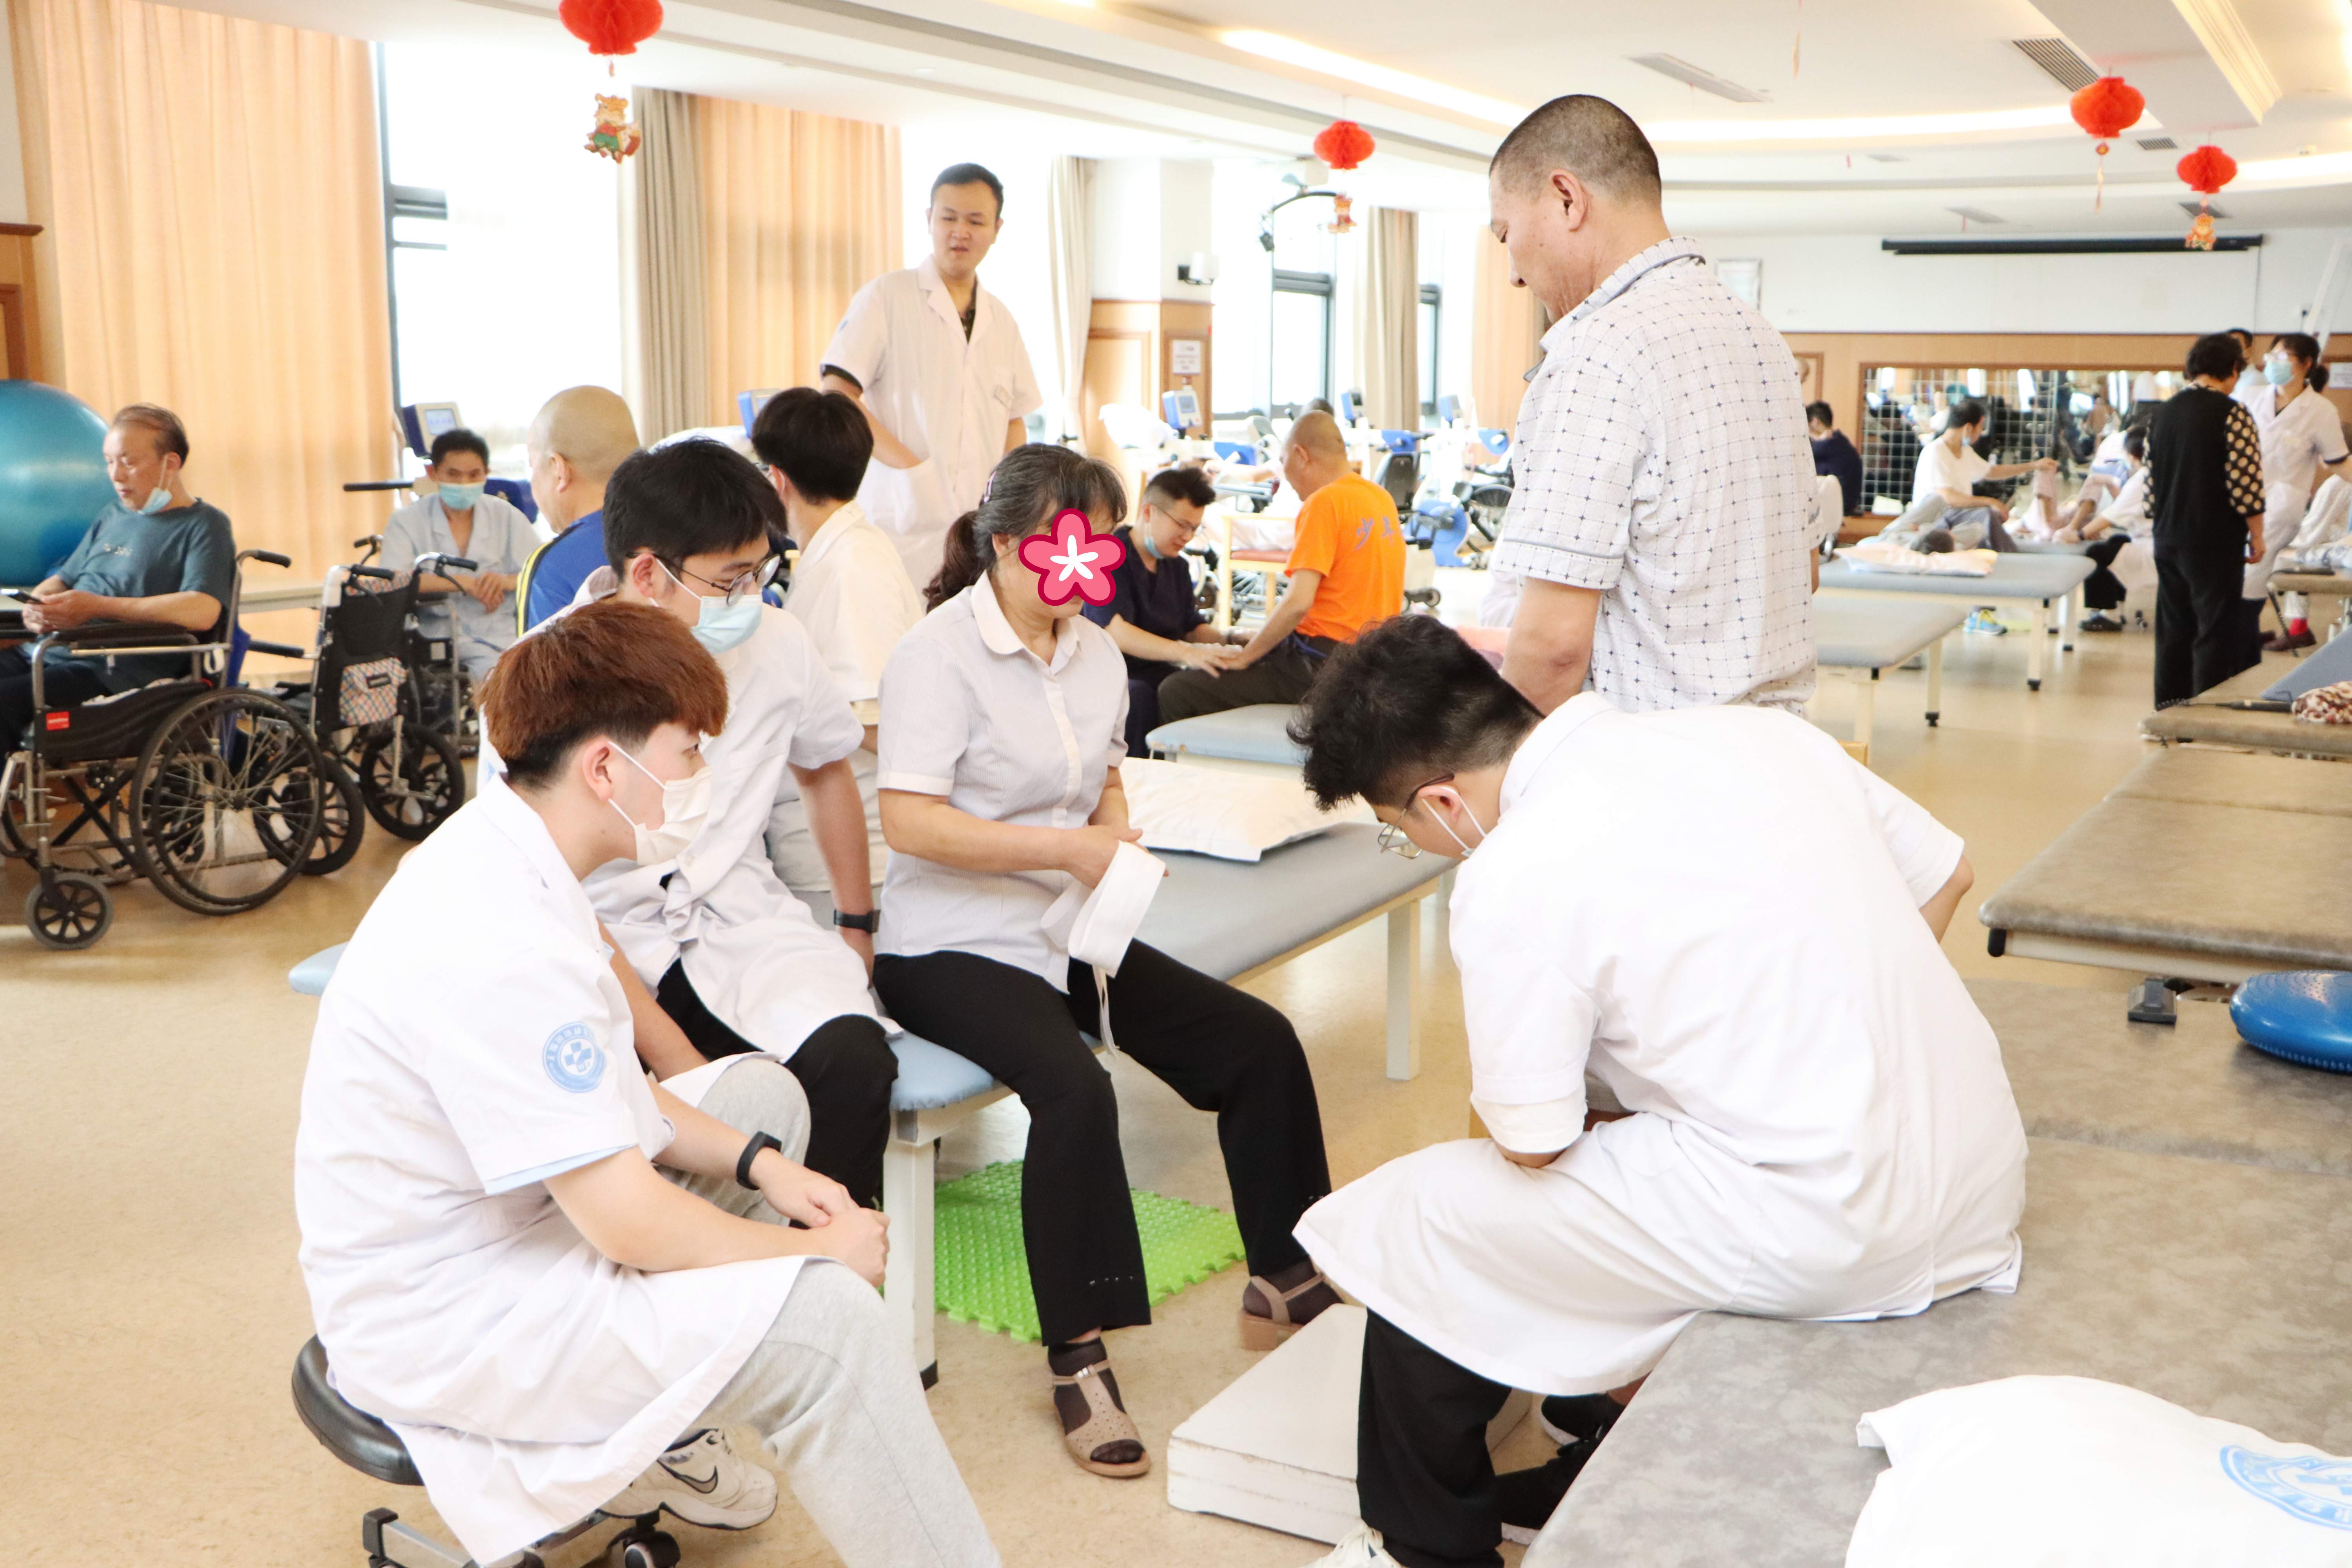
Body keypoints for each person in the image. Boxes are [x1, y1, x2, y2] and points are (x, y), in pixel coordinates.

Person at [1284, 615, 2026, 1568]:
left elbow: (1533, 1141)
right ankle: (1597, 1448)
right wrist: (1826, 1042)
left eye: (1407, 835)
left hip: (1831, 1222)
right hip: (1976, 1176)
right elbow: (1949, 872)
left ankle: (1422, 1551)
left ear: (1442, 800)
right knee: (1628, 1164)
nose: (1429, 850)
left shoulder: (1515, 867)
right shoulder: (1760, 733)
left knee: (1416, 1218)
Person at [295, 599, 997, 1568]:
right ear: (603, 768)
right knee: (832, 1327)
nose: (698, 777)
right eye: (686, 752)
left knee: (757, 1097)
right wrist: (813, 1257)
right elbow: (624, 1218)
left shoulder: (515, 853)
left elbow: (610, 1101)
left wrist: (762, 1166)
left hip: (504, 1227)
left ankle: (658, 1427)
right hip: (443, 1315)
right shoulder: (503, 938)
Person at [871, 444, 1336, 1479]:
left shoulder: (1087, 653)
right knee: (1074, 1091)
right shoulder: (937, 656)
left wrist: (1112, 842)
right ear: (1004, 545)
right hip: (947, 943)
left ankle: (1285, 1271)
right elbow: (908, 823)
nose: (1087, 567)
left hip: (1067, 922)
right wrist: (1069, 850)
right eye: (1063, 543)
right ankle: (1078, 1357)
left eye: (1099, 542)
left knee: (1257, 1042)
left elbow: (1109, 779)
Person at [552, 439, 895, 1210]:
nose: (752, 595)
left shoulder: (775, 643)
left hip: (741, 920)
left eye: (762, 572)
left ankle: (830, 1275)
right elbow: (547, 892)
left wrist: (855, 921)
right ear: (647, 574)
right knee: (707, 1109)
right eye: (731, 579)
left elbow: (826, 765)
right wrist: (677, 1061)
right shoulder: (550, 680)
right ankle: (728, 1292)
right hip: (609, 947)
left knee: (853, 1056)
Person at [1479, 95, 1814, 716]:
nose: (1514, 274)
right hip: (1775, 757)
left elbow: (1552, 647)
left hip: (1649, 768)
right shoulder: (1758, 335)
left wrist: (1490, 779)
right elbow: (1804, 575)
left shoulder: (1597, 351)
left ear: (1566, 199)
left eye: (1507, 234)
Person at [821, 163, 1043, 592]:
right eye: (948, 217)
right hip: (901, 517)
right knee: (898, 633)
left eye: (975, 221)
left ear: (997, 229)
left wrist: (1006, 494)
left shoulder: (1002, 320)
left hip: (978, 525)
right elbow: (837, 393)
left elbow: (1015, 418)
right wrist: (912, 469)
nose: (960, 231)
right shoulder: (887, 296)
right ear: (928, 220)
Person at [749, 386, 925, 915]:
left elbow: (870, 723)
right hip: (837, 846)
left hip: (850, 860)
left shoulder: (851, 570)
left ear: (777, 480)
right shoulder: (837, 554)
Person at [2, 404, 233, 743]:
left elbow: (202, 611)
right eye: (109, 461)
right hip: (50, 651)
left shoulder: (204, 525)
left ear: (171, 463)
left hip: (111, 670)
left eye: (128, 461)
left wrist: (96, 607)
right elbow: (63, 579)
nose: (115, 475)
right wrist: (39, 604)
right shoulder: (113, 514)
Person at [1156, 411, 1403, 724]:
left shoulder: (1324, 503)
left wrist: (1247, 657)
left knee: (1177, 690)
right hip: (1374, 662)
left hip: (1320, 667)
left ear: (1300, 456)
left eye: (1284, 464)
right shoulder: (1381, 499)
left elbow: (1298, 603)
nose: (1283, 476)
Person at [1082, 465, 1249, 755]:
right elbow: (1117, 631)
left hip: (1159, 672)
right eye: (1181, 524)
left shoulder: (1177, 567)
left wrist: (1232, 640)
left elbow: (1192, 628)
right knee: (1142, 696)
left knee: (1204, 685)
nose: (1187, 536)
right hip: (1113, 672)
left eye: (1194, 529)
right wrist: (1186, 653)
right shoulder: (1109, 557)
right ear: (1148, 512)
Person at [2147, 332, 2267, 706]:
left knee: (2173, 628)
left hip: (2167, 535)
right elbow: (2246, 485)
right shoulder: (2233, 412)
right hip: (2213, 539)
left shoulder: (2162, 414)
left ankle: (2168, 713)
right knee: (2215, 630)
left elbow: (2151, 489)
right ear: (2233, 369)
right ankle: (2208, 716)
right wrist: (2258, 537)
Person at [381, 427, 538, 683]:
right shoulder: (407, 521)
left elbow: (539, 569)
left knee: (545, 673)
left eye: (474, 474)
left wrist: (505, 581)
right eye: (453, 475)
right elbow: (395, 581)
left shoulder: (506, 516)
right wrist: (464, 584)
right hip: (444, 633)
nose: (464, 484)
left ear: (487, 474)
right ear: (433, 473)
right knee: (495, 676)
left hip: (505, 631)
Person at [2241, 334, 2350, 651]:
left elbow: (2339, 463)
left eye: (2284, 357)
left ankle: (2242, 647)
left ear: (2306, 365)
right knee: (2228, 584)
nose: (2274, 362)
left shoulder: (2320, 410)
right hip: (2235, 503)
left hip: (2279, 510)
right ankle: (2239, 643)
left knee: (2251, 585)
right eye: (2273, 355)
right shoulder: (2248, 396)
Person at [517, 385, 642, 630]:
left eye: (534, 467)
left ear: (559, 470)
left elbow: (539, 668)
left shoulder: (554, 566)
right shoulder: (678, 534)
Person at [1909, 398, 2057, 552]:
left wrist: (2034, 465)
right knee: (1985, 514)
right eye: (1980, 428)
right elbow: (1948, 498)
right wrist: (1990, 501)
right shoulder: (1935, 452)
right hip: (1935, 520)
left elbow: (1991, 472)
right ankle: (2010, 554)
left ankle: (2006, 551)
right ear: (1968, 428)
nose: (1980, 434)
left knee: (1987, 516)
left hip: (1954, 515)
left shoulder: (1965, 452)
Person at [2059, 427, 2154, 632]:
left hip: (2153, 547)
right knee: (2116, 543)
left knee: (2097, 553)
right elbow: (2123, 508)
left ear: (2131, 454)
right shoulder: (2154, 472)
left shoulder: (2142, 479)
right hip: (2152, 540)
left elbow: (2111, 516)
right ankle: (2116, 607)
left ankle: (2107, 614)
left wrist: (2079, 534)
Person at [1807, 401, 1863, 517]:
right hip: (1848, 503)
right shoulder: (1841, 441)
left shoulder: (1825, 446)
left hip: (1836, 507)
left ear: (1815, 422)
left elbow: (1802, 458)